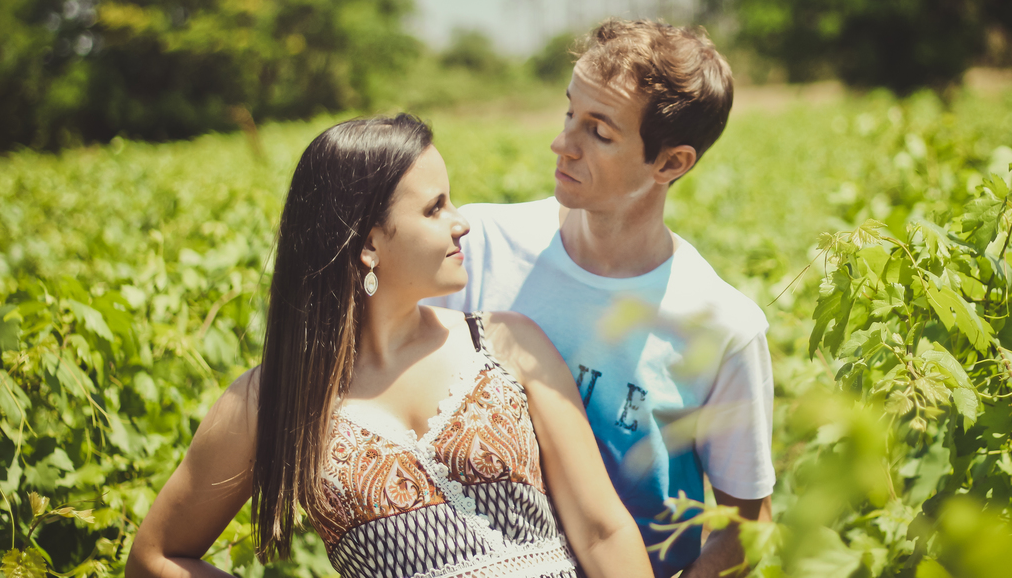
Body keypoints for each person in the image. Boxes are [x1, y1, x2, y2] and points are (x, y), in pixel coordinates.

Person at [127, 114, 654, 578]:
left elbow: (602, 532)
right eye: (434, 208)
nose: (461, 222)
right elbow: (155, 559)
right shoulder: (273, 399)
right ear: (368, 243)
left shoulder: (507, 342)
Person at [426, 20, 776, 578]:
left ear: (671, 163)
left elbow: (747, 527)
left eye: (599, 132)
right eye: (570, 113)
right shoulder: (479, 244)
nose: (562, 144)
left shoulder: (721, 327)